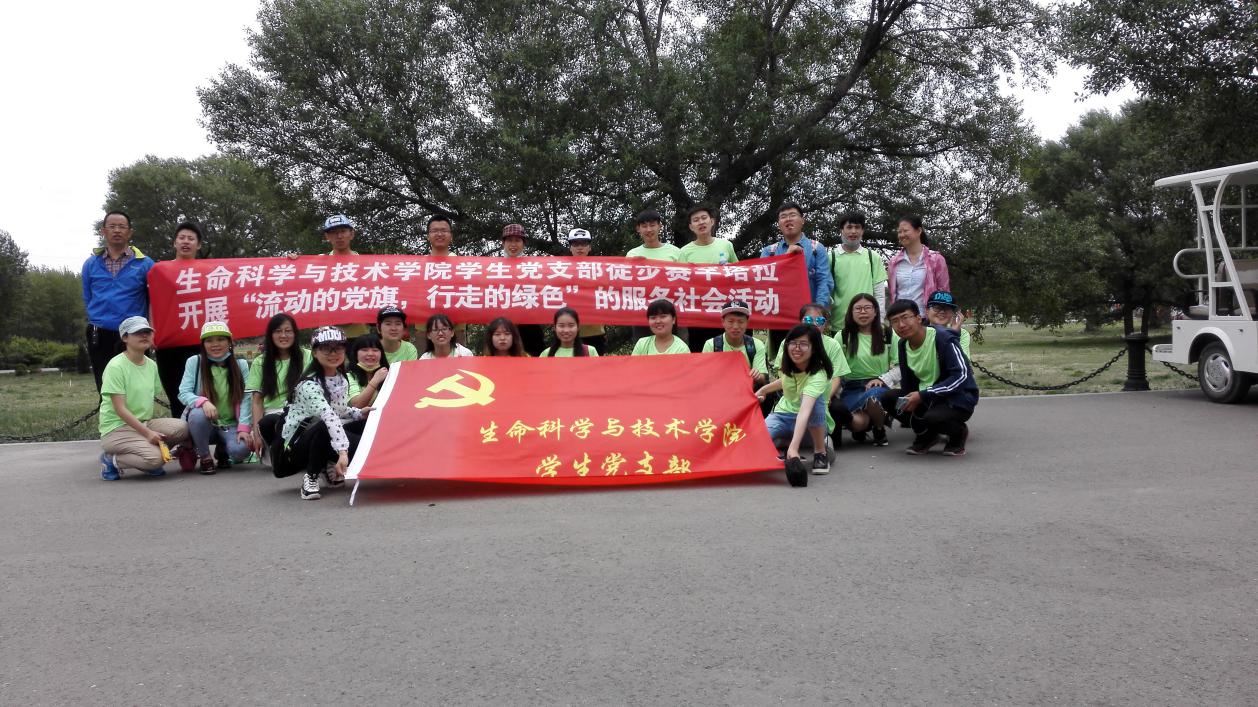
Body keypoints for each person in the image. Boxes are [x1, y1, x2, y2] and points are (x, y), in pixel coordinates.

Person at [273, 327, 371, 500]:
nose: (333, 353)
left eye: (338, 348)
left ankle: (325, 463)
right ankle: (311, 476)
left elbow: (340, 410)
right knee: (326, 427)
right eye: (326, 348)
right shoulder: (309, 385)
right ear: (315, 352)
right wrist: (343, 453)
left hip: (321, 436)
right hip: (292, 451)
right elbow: (330, 417)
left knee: (366, 424)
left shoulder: (341, 378)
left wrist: (359, 413)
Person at [880, 299, 978, 456]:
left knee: (932, 417)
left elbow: (961, 376)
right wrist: (911, 402)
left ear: (918, 318)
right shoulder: (903, 344)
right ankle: (926, 435)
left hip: (956, 397)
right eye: (895, 321)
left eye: (905, 317)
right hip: (926, 396)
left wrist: (923, 395)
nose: (901, 325)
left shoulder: (943, 338)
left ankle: (958, 434)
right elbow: (908, 382)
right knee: (890, 399)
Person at [97, 316, 191, 480]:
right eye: (137, 332)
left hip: (143, 422)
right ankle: (111, 459)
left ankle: (146, 455)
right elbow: (120, 409)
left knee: (182, 428)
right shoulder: (116, 366)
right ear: (125, 338)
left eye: (147, 331)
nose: (144, 335)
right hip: (117, 429)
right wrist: (147, 433)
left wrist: (147, 430)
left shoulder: (151, 365)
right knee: (156, 460)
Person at [82, 211, 155, 392]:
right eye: (112, 226)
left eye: (122, 227)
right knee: (106, 387)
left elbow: (153, 300)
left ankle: (137, 413)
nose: (117, 230)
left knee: (137, 388)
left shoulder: (145, 264)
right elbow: (88, 297)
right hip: (100, 332)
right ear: (103, 231)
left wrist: (152, 330)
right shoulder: (91, 264)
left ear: (130, 232)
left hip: (135, 333)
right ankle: (109, 412)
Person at [755, 325, 834, 486]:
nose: (797, 348)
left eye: (803, 344)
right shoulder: (788, 365)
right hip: (782, 416)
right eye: (793, 343)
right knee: (755, 441)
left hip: (810, 423)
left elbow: (804, 412)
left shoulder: (818, 374)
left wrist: (793, 449)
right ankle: (785, 443)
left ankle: (820, 451)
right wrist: (763, 390)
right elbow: (785, 381)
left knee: (816, 401)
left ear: (814, 348)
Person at [773, 303, 852, 450]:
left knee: (836, 408)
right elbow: (782, 372)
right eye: (808, 320)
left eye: (819, 320)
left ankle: (821, 444)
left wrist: (828, 397)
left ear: (825, 324)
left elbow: (836, 377)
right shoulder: (788, 342)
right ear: (800, 322)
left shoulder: (832, 345)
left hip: (822, 394)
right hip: (793, 396)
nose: (814, 324)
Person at [177, 321, 253, 474]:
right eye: (209, 340)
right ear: (203, 344)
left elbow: (247, 397)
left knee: (241, 450)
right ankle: (205, 456)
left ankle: (223, 450)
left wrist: (244, 428)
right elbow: (183, 392)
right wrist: (203, 402)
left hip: (230, 425)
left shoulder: (241, 365)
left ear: (229, 342)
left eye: (221, 339)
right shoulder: (195, 362)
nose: (215, 344)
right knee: (198, 415)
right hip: (205, 425)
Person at [760, 203, 833, 357]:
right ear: (779, 224)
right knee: (782, 361)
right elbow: (764, 283)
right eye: (783, 217)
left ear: (802, 220)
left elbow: (824, 281)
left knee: (811, 359)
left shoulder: (816, 248)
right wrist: (788, 256)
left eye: (792, 215)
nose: (788, 219)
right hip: (780, 318)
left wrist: (818, 313)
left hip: (809, 318)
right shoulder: (769, 251)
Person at [155, 221, 206, 418]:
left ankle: (204, 434)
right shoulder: (160, 271)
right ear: (174, 243)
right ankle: (181, 435)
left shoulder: (211, 272)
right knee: (177, 395)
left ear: (198, 245)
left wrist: (290, 262)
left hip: (201, 342)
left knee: (204, 394)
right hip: (169, 344)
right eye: (182, 238)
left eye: (191, 239)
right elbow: (152, 303)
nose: (186, 242)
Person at [836, 294, 897, 446]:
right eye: (858, 308)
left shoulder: (887, 334)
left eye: (867, 308)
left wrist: (882, 379)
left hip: (878, 385)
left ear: (875, 311)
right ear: (851, 312)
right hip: (850, 388)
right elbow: (834, 369)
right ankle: (870, 423)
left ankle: (879, 429)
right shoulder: (842, 336)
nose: (863, 312)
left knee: (872, 400)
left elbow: (899, 365)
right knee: (857, 423)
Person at [678, 204, 738, 351]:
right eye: (696, 220)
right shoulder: (684, 252)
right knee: (700, 351)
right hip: (698, 312)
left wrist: (730, 268)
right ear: (691, 227)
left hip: (724, 308)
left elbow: (739, 272)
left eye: (704, 218)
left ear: (712, 221)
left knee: (726, 349)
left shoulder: (726, 245)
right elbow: (680, 281)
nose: (701, 222)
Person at [247, 313, 307, 454]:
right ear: (270, 335)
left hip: (303, 413)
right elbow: (257, 401)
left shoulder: (308, 356)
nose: (283, 335)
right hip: (272, 418)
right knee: (271, 422)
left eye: (288, 331)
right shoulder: (260, 362)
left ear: (295, 334)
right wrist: (256, 434)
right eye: (278, 331)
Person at [829, 211, 887, 327]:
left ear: (862, 231)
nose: (853, 231)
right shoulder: (831, 258)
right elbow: (827, 292)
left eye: (857, 227)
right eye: (849, 227)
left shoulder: (873, 257)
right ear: (841, 230)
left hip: (868, 324)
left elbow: (879, 294)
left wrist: (879, 321)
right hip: (839, 324)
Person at [700, 299, 769, 391]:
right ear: (723, 322)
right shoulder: (711, 345)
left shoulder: (756, 345)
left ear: (747, 322)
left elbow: (763, 377)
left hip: (746, 392)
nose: (736, 326)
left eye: (740, 322)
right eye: (730, 321)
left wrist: (757, 376)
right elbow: (704, 376)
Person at [886, 215, 949, 314]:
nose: (902, 235)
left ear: (919, 231)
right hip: (900, 318)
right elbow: (892, 292)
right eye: (899, 232)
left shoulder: (936, 259)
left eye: (905, 231)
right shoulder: (893, 263)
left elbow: (944, 292)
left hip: (927, 317)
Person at [502, 223, 546, 356]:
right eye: (509, 240)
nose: (513, 244)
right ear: (503, 243)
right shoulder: (493, 268)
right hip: (504, 325)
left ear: (523, 243)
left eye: (517, 240)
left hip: (530, 324)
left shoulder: (534, 267)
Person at [322, 214, 369, 339]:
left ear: (351, 234)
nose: (339, 236)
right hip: (328, 335)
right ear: (327, 236)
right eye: (333, 232)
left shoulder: (367, 264)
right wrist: (293, 261)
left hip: (359, 334)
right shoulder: (319, 263)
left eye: (343, 231)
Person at [424, 215, 469, 345]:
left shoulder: (462, 265)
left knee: (458, 356)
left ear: (451, 236)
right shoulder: (420, 265)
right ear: (428, 236)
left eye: (444, 230)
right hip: (424, 325)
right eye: (434, 231)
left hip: (456, 324)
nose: (439, 234)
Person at [566, 228, 607, 353]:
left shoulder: (601, 270)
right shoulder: (561, 270)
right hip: (567, 330)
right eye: (575, 244)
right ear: (570, 248)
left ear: (589, 247)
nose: (580, 247)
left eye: (583, 244)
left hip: (595, 331)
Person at [347, 333, 390, 407]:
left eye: (375, 350)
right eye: (364, 350)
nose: (370, 354)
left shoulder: (390, 374)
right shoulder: (349, 376)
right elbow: (356, 405)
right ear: (356, 354)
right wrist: (375, 380)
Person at [925, 290, 970, 359]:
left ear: (953, 313)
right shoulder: (919, 332)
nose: (942, 312)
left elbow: (962, 361)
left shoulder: (962, 333)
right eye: (937, 307)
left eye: (947, 308)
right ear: (927, 310)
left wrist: (953, 335)